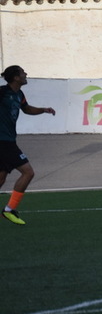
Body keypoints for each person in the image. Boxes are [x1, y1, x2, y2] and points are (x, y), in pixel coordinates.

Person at [0, 66, 56, 226]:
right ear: (16, 77)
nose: (26, 74)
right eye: (23, 72)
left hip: (8, 140)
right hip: (3, 141)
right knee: (28, 172)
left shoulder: (19, 94)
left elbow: (27, 109)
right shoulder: (2, 92)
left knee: (1, 177)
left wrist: (43, 110)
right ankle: (9, 210)